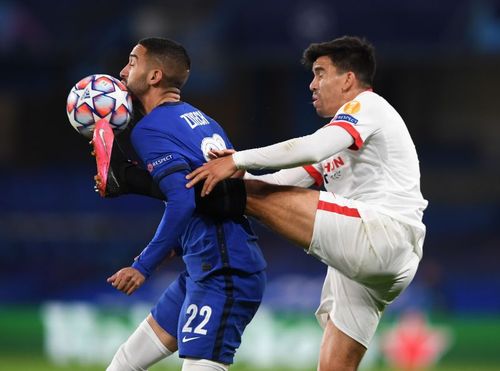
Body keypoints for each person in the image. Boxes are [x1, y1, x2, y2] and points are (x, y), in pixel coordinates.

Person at [185, 36, 428, 370]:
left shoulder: (367, 107)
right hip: (376, 261)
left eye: (320, 73)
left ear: (348, 79)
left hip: (383, 233)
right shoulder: (341, 136)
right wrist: (240, 175)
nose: (312, 84)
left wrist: (237, 162)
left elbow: (312, 148)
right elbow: (282, 182)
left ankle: (150, 186)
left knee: (234, 195)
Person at [100, 37, 267, 371]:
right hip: (204, 268)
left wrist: (142, 266)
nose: (122, 70)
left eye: (132, 62)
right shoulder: (201, 118)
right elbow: (210, 197)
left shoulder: (150, 129)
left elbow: (181, 201)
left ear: (154, 76)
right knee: (125, 363)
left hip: (224, 273)